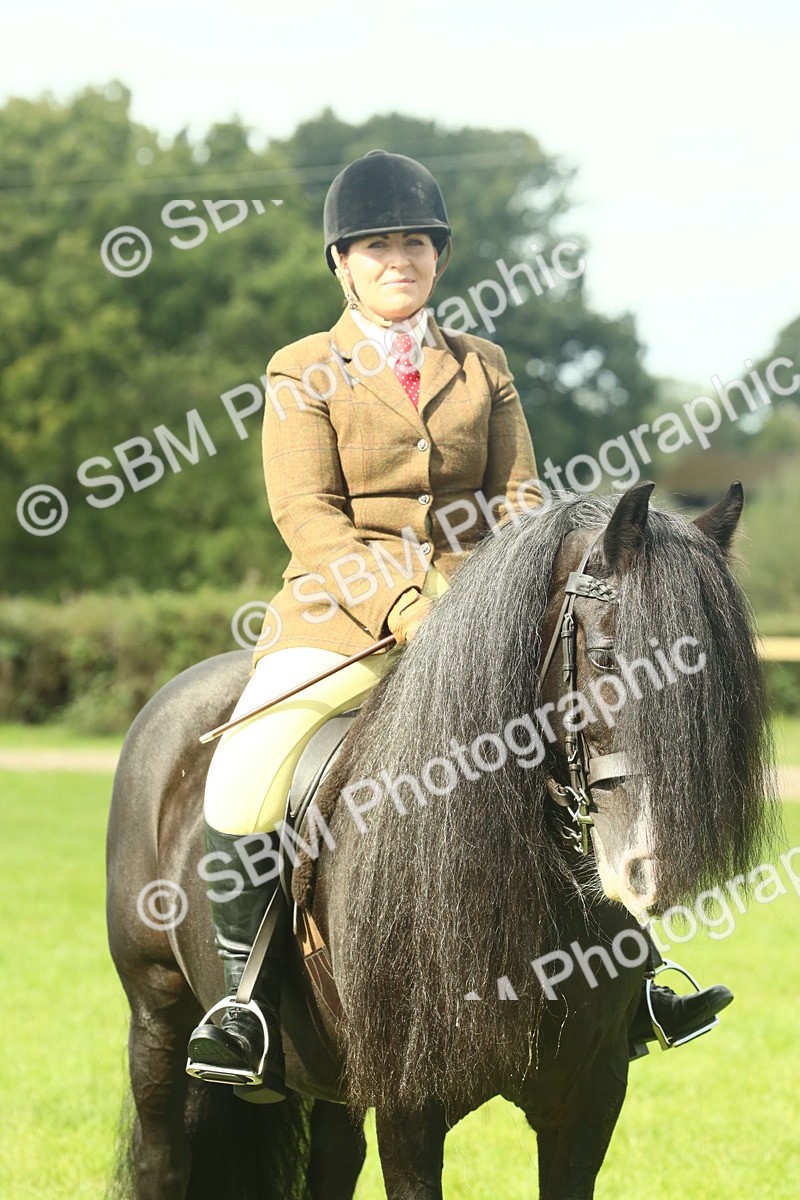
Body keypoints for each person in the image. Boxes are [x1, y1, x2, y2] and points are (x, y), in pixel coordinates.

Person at [186, 150, 732, 1102]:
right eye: (377, 246)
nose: (399, 259)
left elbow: (519, 503)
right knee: (241, 780)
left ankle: (635, 977)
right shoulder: (301, 369)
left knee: (586, 746)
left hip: (479, 622)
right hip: (340, 619)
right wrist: (405, 604)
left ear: (438, 256)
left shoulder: (482, 365)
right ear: (342, 262)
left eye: (416, 243)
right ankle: (245, 1003)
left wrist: (483, 606)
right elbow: (309, 514)